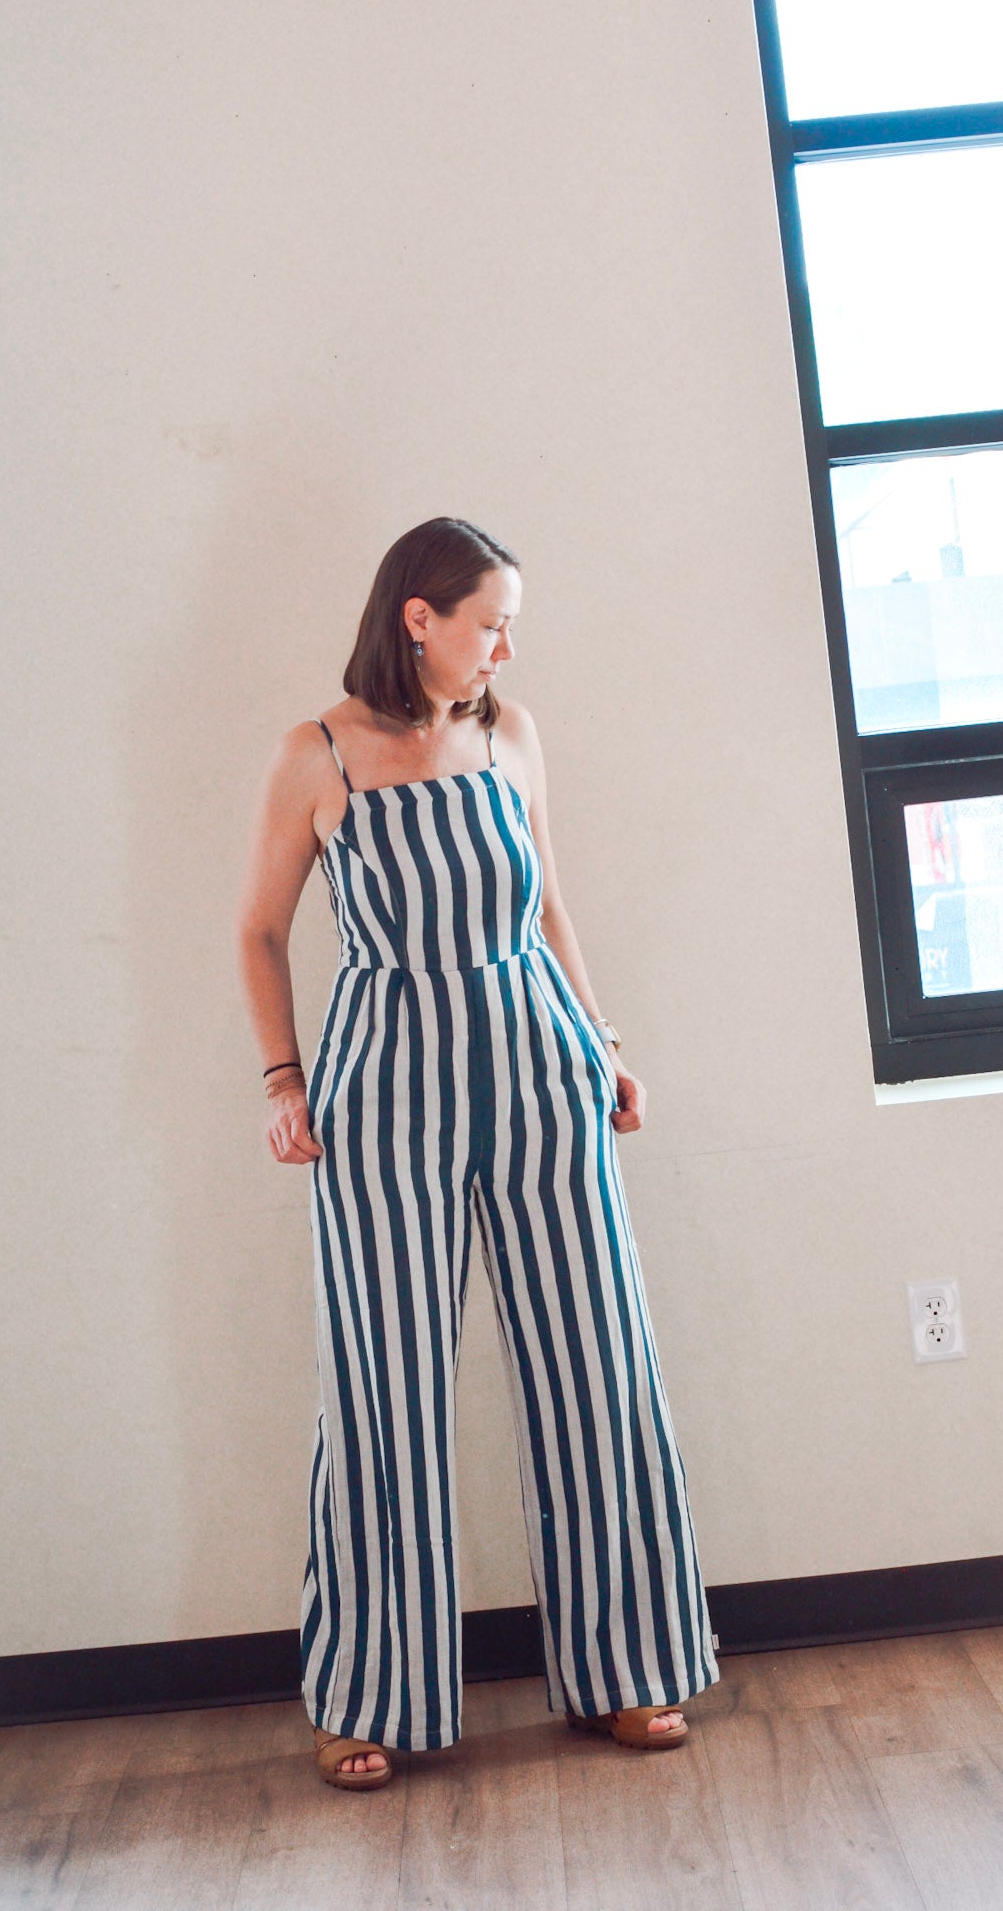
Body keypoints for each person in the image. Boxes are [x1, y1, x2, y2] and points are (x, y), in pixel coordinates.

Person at [236, 517, 720, 1791]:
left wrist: (599, 1036)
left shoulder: (508, 735)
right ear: (418, 617)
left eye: (509, 621)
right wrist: (283, 1079)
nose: (507, 642)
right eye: (491, 618)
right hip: (382, 1094)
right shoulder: (317, 754)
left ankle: (629, 1668)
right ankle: (372, 1695)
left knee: (594, 1363)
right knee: (382, 1390)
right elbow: (256, 931)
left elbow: (547, 900)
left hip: (538, 1072)